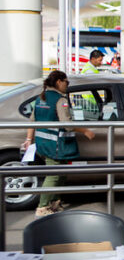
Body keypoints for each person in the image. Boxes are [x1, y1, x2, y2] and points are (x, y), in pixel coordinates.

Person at [23, 71, 95, 217]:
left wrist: (29, 139)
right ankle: (42, 207)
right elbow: (67, 125)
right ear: (58, 82)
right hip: (56, 144)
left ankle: (54, 202)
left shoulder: (40, 98)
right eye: (66, 82)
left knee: (60, 173)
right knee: (54, 175)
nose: (67, 85)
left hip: (44, 143)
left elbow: (32, 121)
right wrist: (85, 130)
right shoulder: (59, 100)